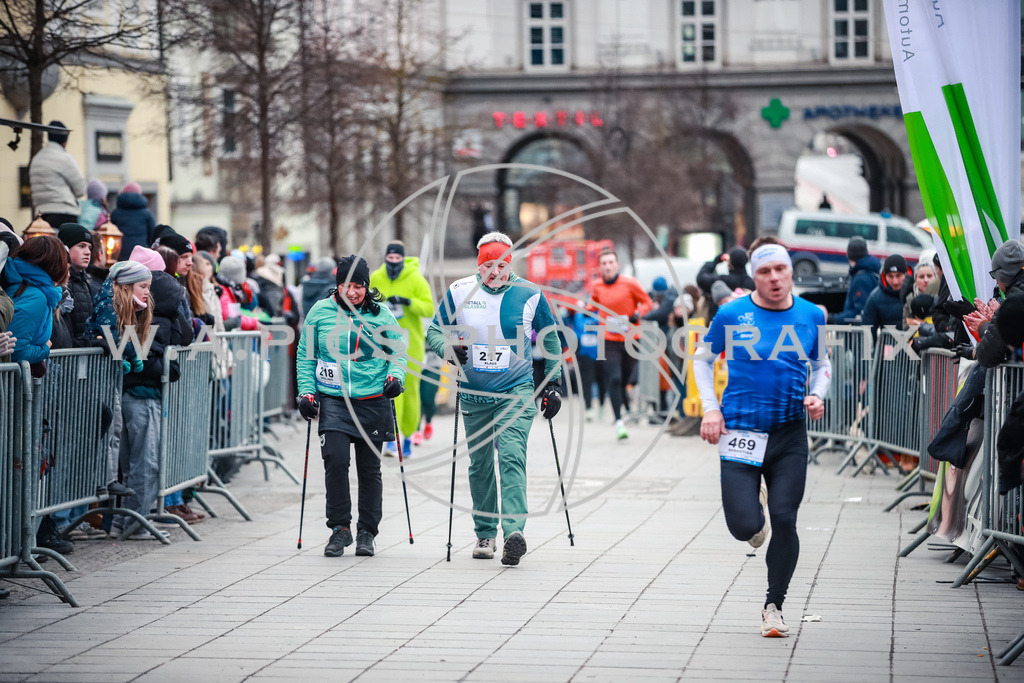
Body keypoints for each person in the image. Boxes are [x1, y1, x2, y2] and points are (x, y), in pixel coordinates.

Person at [695, 238, 831, 638]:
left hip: (789, 434)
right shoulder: (731, 314)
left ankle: (774, 606)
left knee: (785, 518)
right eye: (765, 272)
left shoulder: (811, 314)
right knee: (745, 528)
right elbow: (702, 360)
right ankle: (754, 503)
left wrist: (817, 395)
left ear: (791, 271)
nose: (774, 278)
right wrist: (710, 409)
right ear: (753, 276)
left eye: (781, 270)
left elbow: (822, 363)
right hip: (740, 432)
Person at [425, 232, 563, 566]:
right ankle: (485, 533)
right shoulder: (460, 291)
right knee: (481, 465)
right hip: (474, 393)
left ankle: (514, 532)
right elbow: (434, 331)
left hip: (516, 390)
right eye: (488, 266)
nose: (495, 272)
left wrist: (553, 383)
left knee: (512, 457)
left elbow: (550, 340)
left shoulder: (530, 294)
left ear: (509, 263)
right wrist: (448, 349)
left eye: (501, 265)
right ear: (479, 265)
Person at [296, 255, 407, 558]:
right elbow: (306, 355)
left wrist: (396, 377)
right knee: (335, 460)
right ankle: (339, 529)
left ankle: (367, 532)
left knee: (369, 470)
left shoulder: (381, 314)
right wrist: (306, 393)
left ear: (367, 287)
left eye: (359, 286)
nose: (353, 292)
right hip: (334, 399)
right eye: (347, 285)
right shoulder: (320, 311)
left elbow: (398, 352)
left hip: (372, 399)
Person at [106, 263, 190, 539]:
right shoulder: (131, 314)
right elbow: (141, 359)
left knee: (135, 464)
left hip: (135, 395)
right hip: (140, 396)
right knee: (145, 464)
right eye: (143, 287)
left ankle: (125, 521)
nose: (147, 292)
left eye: (150, 287)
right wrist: (169, 367)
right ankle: (134, 523)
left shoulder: (141, 313)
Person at [369, 240, 434, 457]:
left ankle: (407, 437)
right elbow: (365, 304)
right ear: (385, 257)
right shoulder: (376, 277)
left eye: (398, 258)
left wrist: (408, 302)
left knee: (410, 391)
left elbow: (429, 308)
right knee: (387, 390)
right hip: (384, 343)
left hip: (410, 344)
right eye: (390, 257)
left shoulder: (415, 278)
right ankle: (390, 437)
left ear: (403, 259)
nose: (394, 261)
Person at [589, 248, 652, 440]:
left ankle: (624, 401)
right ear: (600, 267)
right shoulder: (597, 285)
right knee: (614, 378)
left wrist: (638, 313)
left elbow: (647, 302)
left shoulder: (630, 283)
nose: (607, 266)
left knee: (625, 379)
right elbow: (593, 303)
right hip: (607, 339)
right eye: (604, 263)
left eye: (611, 262)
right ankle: (619, 422)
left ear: (617, 265)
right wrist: (584, 308)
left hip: (631, 339)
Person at [970, 240, 1024, 368]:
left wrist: (984, 327)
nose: (996, 282)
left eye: (994, 275)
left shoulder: (1013, 305)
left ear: (1003, 275)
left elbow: (986, 356)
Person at [29, 121, 86, 228]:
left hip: (41, 214)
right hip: (64, 213)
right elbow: (81, 190)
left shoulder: (36, 159)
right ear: (65, 141)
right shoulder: (64, 158)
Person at [831, 236, 880, 324]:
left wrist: (835, 318)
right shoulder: (870, 270)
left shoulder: (861, 279)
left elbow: (859, 312)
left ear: (850, 257)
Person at [862, 254, 907, 340]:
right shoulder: (875, 298)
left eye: (898, 276)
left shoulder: (916, 292)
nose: (895, 281)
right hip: (888, 347)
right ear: (884, 276)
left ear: (906, 274)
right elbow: (868, 332)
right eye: (890, 276)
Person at [110, 182, 156, 259]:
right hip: (141, 253)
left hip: (120, 253)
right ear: (139, 195)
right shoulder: (146, 213)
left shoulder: (115, 213)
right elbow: (152, 235)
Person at [902, 261, 937, 328]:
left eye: (929, 276)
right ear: (916, 280)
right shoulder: (910, 299)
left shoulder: (941, 297)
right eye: (921, 277)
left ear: (935, 277)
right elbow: (906, 326)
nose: (926, 280)